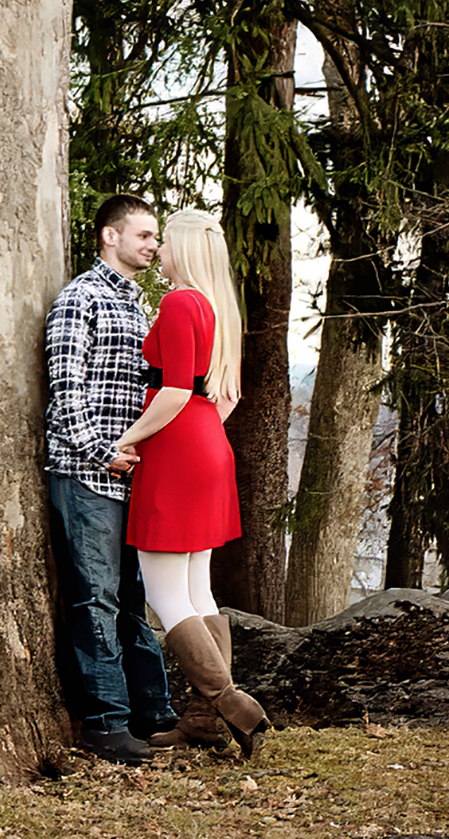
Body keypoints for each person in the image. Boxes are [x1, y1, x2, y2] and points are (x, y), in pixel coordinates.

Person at [113, 208, 271, 758]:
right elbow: (222, 397)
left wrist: (127, 441)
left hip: (178, 449)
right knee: (197, 588)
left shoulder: (180, 302)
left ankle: (232, 703)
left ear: (185, 248)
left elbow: (175, 391)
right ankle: (205, 722)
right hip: (209, 445)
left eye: (166, 241)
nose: (160, 250)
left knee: (162, 592)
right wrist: (197, 437)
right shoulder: (219, 308)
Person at [45, 194, 178, 764]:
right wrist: (101, 451)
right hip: (85, 473)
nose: (154, 245)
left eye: (156, 237)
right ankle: (104, 724)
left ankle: (154, 714)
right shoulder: (81, 298)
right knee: (95, 600)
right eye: (144, 235)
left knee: (131, 599)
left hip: (128, 479)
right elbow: (64, 388)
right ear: (110, 236)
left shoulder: (138, 305)